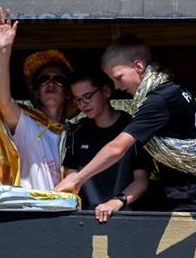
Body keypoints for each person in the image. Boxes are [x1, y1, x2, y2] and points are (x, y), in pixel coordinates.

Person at [56, 35, 196, 212]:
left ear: (138, 66)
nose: (117, 86)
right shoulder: (175, 88)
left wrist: (77, 179)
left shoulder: (156, 101)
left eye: (119, 78)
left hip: (189, 196)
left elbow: (117, 148)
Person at [0, 7, 73, 190]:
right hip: (29, 211)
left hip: (67, 214)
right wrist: (4, 51)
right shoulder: (27, 124)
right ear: (35, 93)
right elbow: (3, 101)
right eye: (44, 80)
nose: (51, 83)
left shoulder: (74, 133)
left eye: (59, 79)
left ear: (68, 92)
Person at [62, 70, 150, 222]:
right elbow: (71, 176)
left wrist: (116, 202)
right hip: (86, 218)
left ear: (106, 91)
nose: (83, 104)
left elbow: (141, 180)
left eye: (87, 96)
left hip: (125, 217)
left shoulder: (132, 127)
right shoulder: (77, 131)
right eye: (78, 100)